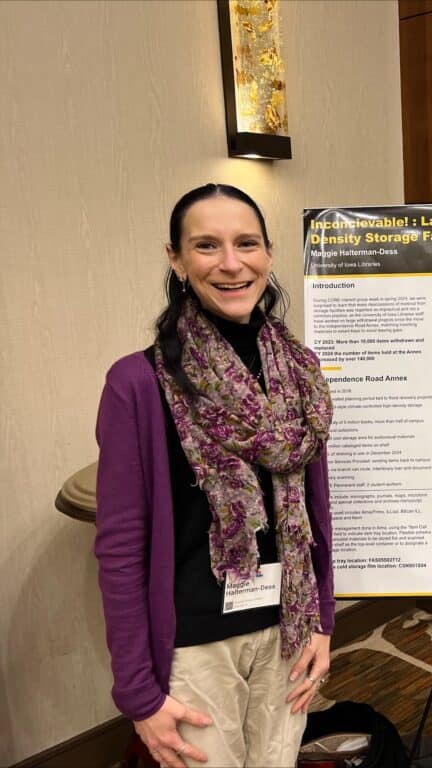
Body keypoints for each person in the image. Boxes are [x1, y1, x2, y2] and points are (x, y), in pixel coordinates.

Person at [95, 184, 335, 768]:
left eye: (246, 243)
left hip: (288, 627)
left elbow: (317, 511)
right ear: (176, 259)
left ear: (269, 254)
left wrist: (323, 620)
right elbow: (121, 549)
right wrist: (138, 695)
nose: (231, 263)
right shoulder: (138, 383)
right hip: (194, 646)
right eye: (207, 245)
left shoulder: (300, 375)